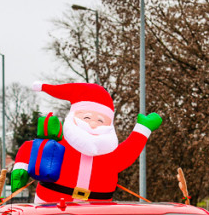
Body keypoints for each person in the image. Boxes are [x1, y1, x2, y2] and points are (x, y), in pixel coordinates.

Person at [10, 82, 162, 203]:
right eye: (87, 118)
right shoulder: (59, 142)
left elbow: (127, 154)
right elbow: (30, 148)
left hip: (95, 213)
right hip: (52, 207)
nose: (93, 124)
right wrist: (21, 168)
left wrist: (143, 129)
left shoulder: (109, 152)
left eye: (101, 120)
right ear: (74, 116)